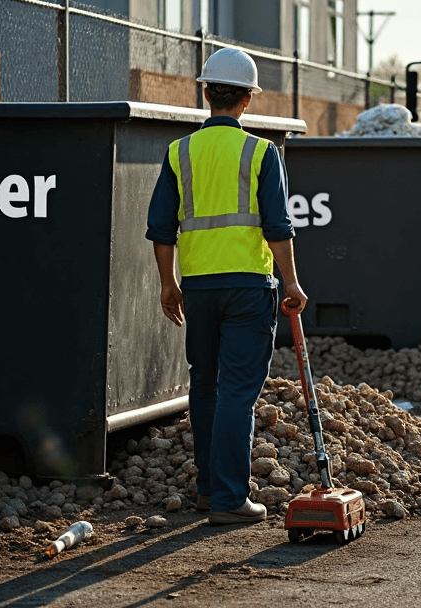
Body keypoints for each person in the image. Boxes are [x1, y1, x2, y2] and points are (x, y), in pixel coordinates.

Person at [145, 47, 307, 526]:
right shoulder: (261, 152)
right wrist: (293, 281)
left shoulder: (179, 152)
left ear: (205, 91)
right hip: (248, 288)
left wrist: (168, 285)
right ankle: (231, 499)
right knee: (238, 391)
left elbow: (160, 228)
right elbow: (278, 226)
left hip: (197, 288)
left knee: (205, 386)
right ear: (248, 101)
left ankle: (207, 488)